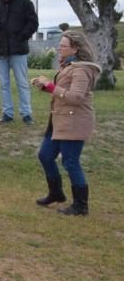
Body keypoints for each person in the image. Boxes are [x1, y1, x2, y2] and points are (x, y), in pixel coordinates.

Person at [32, 31, 101, 216]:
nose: (59, 48)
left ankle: (81, 205)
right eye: (60, 45)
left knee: (70, 162)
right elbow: (65, 92)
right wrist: (45, 87)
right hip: (59, 119)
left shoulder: (82, 70)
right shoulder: (69, 66)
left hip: (74, 121)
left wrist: (51, 86)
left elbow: (77, 97)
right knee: (46, 155)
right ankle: (56, 193)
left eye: (63, 45)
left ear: (75, 49)